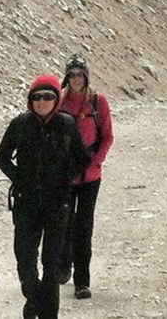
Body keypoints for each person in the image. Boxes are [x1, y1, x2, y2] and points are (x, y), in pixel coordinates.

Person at [0, 74, 89, 319]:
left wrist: (64, 179)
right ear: (30, 100)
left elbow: (83, 158)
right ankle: (35, 299)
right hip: (26, 201)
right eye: (37, 97)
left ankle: (48, 313)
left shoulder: (66, 124)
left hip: (58, 202)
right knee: (25, 259)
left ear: (56, 99)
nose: (42, 102)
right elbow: (1, 156)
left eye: (48, 96)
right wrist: (19, 178)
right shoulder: (20, 124)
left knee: (51, 263)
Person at [52, 56, 112, 300]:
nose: (76, 79)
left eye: (80, 74)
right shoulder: (59, 102)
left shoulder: (98, 102)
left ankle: (82, 281)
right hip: (65, 174)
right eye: (72, 74)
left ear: (86, 77)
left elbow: (107, 136)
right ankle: (64, 264)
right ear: (67, 77)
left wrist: (96, 161)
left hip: (90, 176)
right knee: (63, 222)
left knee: (84, 226)